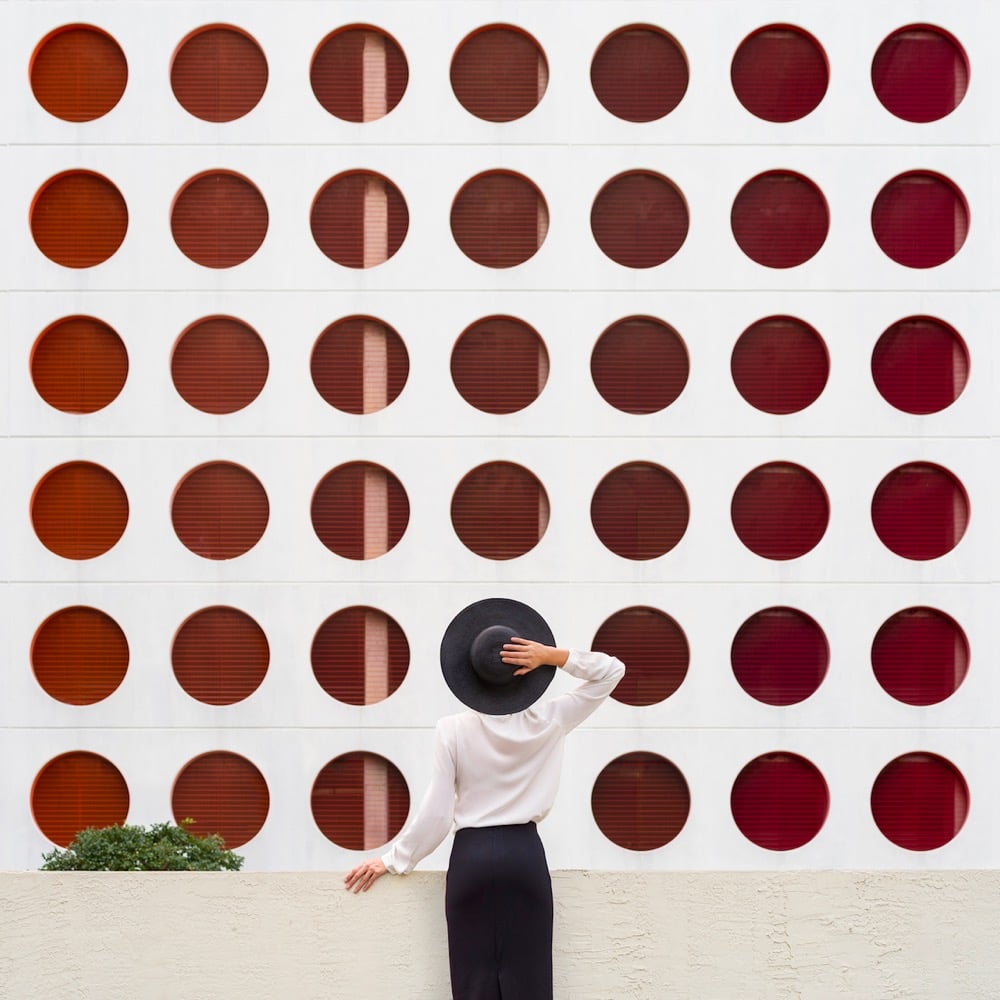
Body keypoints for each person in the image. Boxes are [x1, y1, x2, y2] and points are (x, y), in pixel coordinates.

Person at [344, 597, 625, 1000]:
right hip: (524, 855)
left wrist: (394, 859)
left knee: (473, 982)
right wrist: (553, 656)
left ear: (469, 674)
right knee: (529, 982)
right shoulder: (550, 720)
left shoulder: (452, 729)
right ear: (525, 674)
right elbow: (612, 671)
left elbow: (438, 812)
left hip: (471, 859)